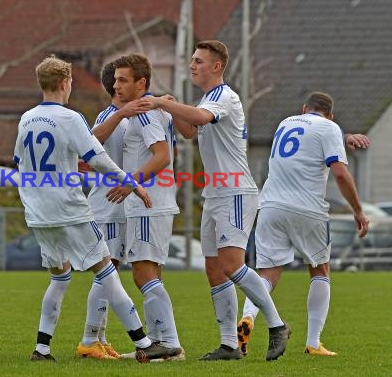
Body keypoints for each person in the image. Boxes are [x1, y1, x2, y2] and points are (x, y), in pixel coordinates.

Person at [14, 55, 180, 363]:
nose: (117, 86)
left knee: (64, 277)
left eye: (122, 80)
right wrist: (132, 182)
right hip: (81, 208)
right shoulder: (77, 118)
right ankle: (140, 342)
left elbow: (20, 163)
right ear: (66, 84)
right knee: (108, 272)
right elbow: (96, 157)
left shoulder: (26, 118)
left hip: (39, 211)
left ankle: (45, 348)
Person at [142, 40, 290, 361]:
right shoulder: (207, 99)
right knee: (214, 270)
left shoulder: (224, 95)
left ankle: (277, 325)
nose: (192, 65)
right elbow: (191, 130)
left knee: (232, 265)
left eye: (198, 61)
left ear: (217, 66)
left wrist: (164, 104)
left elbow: (199, 117)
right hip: (215, 194)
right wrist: (169, 106)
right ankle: (229, 345)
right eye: (192, 60)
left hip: (235, 191)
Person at [238, 92, 370, 357]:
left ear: (304, 109)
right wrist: (358, 210)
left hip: (270, 206)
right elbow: (341, 173)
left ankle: (248, 317)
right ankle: (313, 342)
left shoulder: (285, 122)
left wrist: (342, 138)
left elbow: (306, 145)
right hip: (307, 209)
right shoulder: (329, 127)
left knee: (267, 275)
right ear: (330, 115)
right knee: (320, 270)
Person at [103, 53, 185, 360]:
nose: (117, 86)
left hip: (149, 201)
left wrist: (130, 183)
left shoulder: (146, 113)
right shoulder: (151, 109)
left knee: (142, 273)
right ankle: (160, 342)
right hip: (153, 201)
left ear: (142, 83)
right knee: (150, 273)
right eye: (115, 81)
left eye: (124, 80)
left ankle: (170, 342)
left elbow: (162, 156)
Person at [76, 60, 148, 359]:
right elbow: (87, 150)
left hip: (121, 205)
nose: (120, 86)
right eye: (117, 82)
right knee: (106, 272)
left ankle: (100, 338)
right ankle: (89, 339)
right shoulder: (111, 115)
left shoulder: (134, 115)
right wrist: (120, 114)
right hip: (106, 205)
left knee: (110, 270)